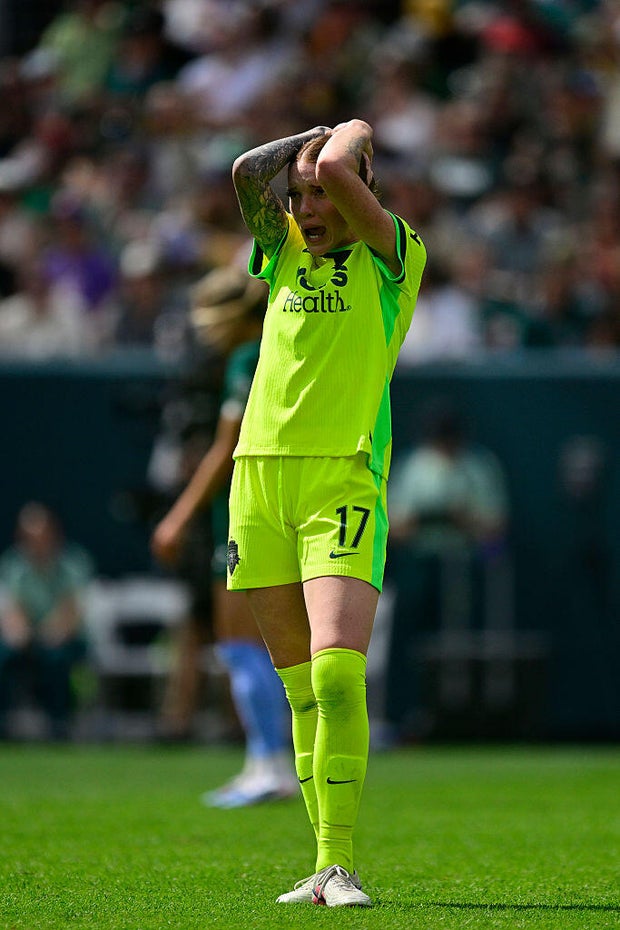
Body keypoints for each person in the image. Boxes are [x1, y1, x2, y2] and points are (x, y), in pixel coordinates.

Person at [228, 118, 426, 906]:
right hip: (259, 480)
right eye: (300, 196)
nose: (307, 208)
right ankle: (318, 866)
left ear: (361, 193)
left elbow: (345, 161)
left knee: (341, 672)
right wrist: (301, 150)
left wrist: (345, 133)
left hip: (341, 479)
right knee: (300, 688)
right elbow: (248, 171)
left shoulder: (394, 257)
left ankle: (339, 862)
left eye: (322, 195)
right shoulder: (277, 250)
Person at [151, 264, 297, 807]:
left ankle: (269, 763)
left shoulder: (247, 356)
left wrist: (178, 517)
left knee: (240, 644)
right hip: (297, 500)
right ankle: (281, 763)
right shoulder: (297, 341)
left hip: (247, 509)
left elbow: (224, 449)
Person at [0, 502, 94, 740]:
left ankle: (58, 725)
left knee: (56, 658)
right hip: (28, 639)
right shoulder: (13, 564)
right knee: (4, 655)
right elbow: (13, 609)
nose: (36, 540)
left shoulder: (73, 562)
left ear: (53, 532)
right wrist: (20, 633)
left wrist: (50, 634)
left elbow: (71, 611)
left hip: (66, 639)